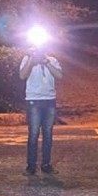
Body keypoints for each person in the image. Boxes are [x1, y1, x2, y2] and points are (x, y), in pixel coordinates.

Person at [18, 43, 62, 176]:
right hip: (33, 100)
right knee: (33, 133)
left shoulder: (52, 60)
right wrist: (32, 59)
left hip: (49, 100)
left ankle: (46, 165)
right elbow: (22, 75)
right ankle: (31, 166)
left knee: (48, 134)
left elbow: (59, 76)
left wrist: (47, 62)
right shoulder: (27, 59)